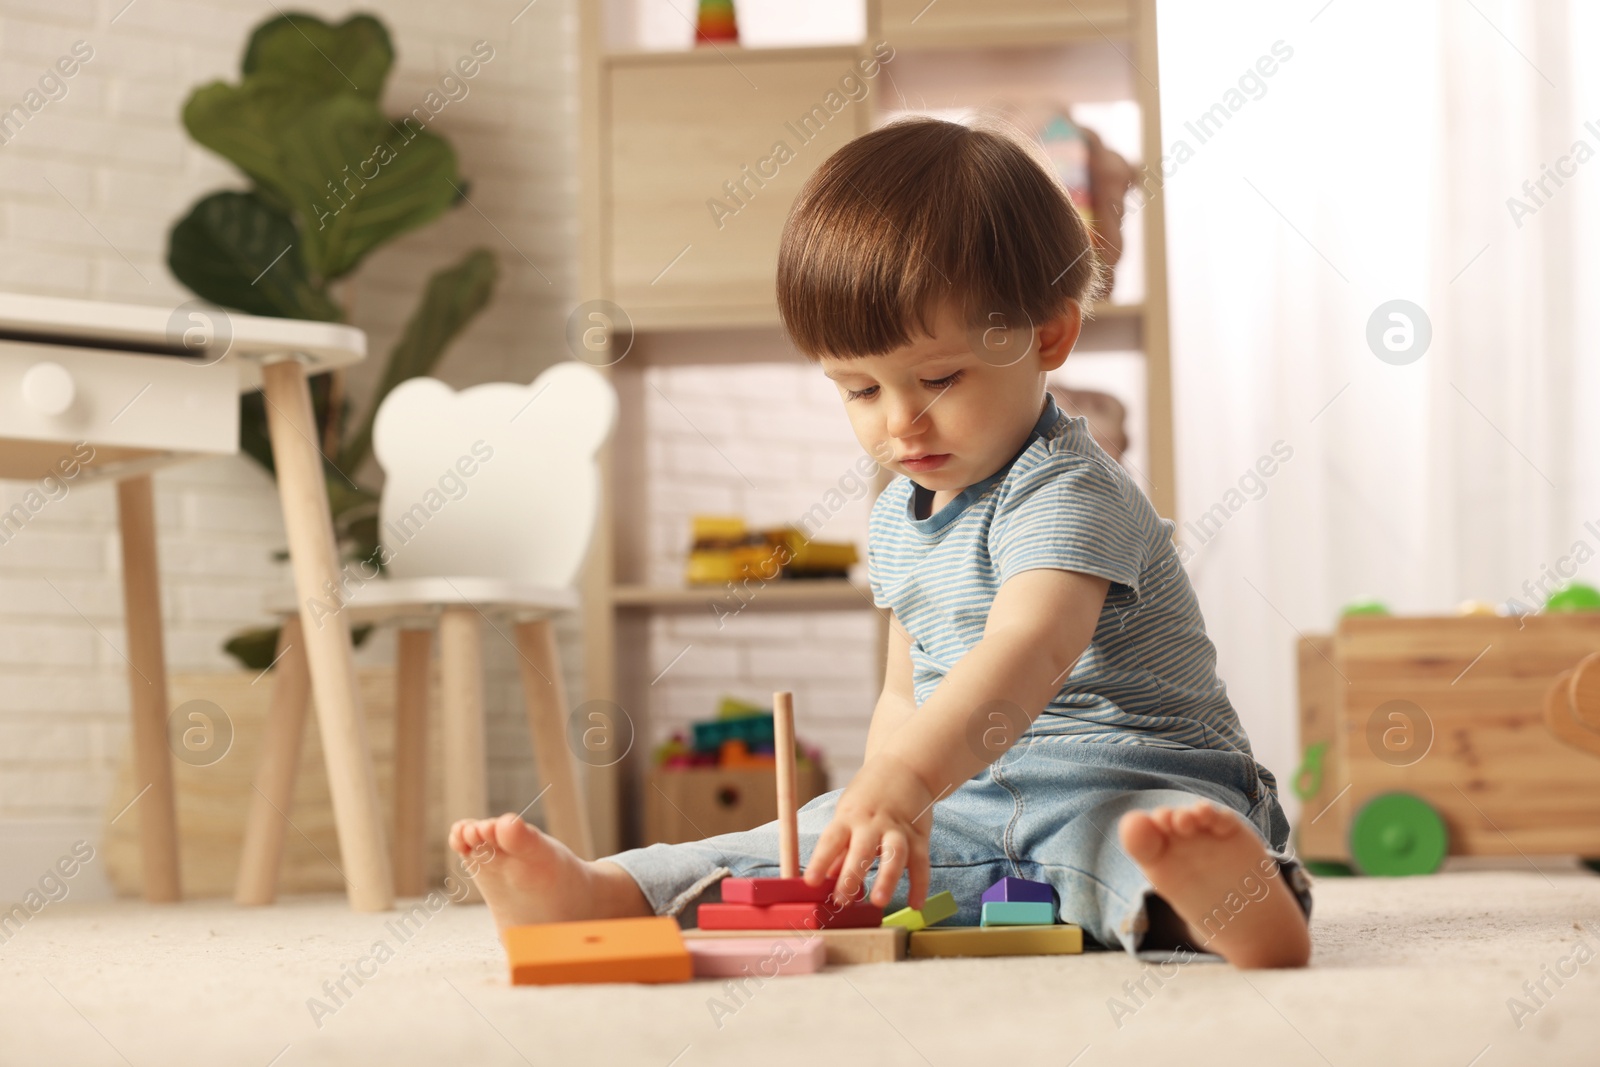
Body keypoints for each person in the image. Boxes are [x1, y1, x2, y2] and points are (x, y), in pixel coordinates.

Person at [450, 115, 1312, 968]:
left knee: (1118, 842)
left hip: (1125, 773)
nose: (901, 420)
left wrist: (907, 779)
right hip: (967, 797)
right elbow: (906, 692)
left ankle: (1225, 900)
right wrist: (885, 799)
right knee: (797, 842)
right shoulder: (902, 515)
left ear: (1048, 335)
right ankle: (610, 892)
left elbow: (1031, 644)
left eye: (938, 378)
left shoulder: (1068, 487)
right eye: (859, 388)